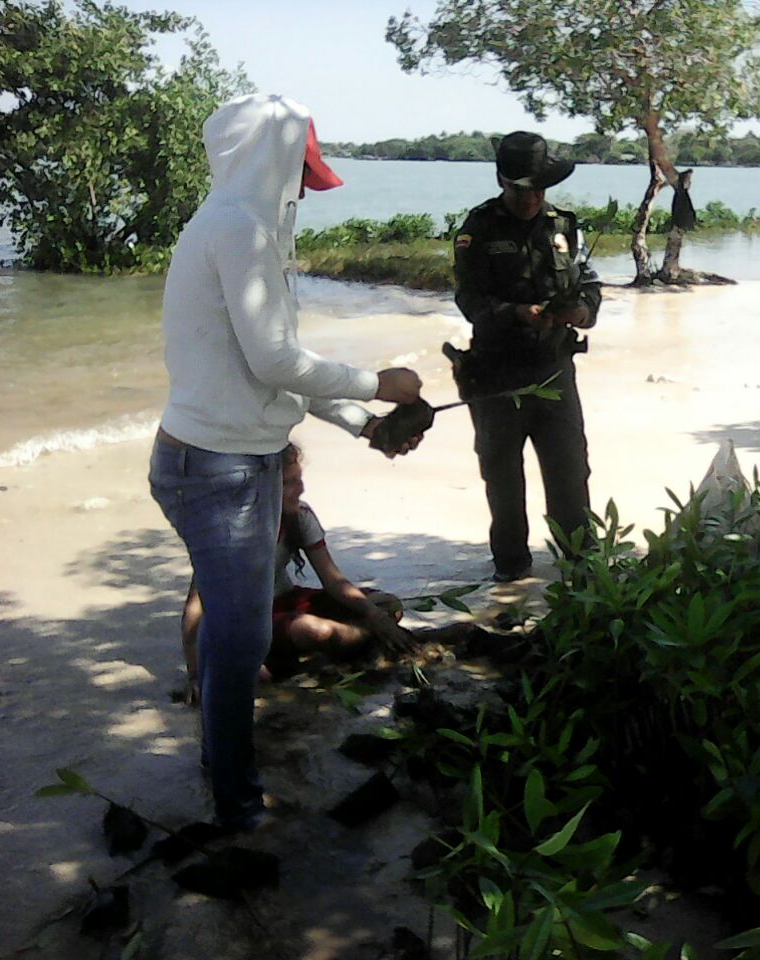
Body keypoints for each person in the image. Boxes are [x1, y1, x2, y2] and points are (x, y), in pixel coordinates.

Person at [148, 93, 426, 832]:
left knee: (238, 638)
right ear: (269, 160)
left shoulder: (229, 225)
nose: (303, 188)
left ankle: (226, 771)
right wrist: (378, 383)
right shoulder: (238, 230)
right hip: (217, 468)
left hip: (232, 459)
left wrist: (364, 425)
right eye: (299, 171)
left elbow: (268, 376)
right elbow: (276, 360)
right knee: (238, 640)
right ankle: (237, 803)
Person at [451, 131, 602, 582]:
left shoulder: (563, 225)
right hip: (496, 377)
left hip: (554, 371)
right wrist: (516, 314)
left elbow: (589, 284)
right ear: (502, 181)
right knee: (503, 481)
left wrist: (581, 312)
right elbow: (469, 300)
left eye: (539, 189)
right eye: (522, 190)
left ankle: (580, 571)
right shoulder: (478, 229)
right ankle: (511, 573)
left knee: (570, 473)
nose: (532, 198)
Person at [179, 444, 414, 703]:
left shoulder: (300, 516)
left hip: (288, 600)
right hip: (248, 620)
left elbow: (334, 581)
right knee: (315, 631)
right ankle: (356, 640)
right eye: (289, 483)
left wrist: (374, 614)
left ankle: (344, 642)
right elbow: (195, 609)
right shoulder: (227, 532)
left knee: (389, 605)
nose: (300, 489)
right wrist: (195, 674)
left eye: (299, 479)